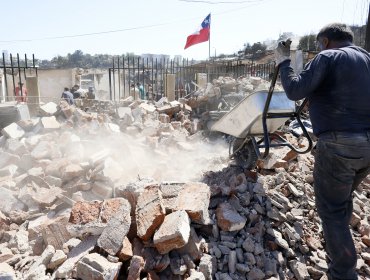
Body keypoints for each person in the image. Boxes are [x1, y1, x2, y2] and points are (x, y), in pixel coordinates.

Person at [275, 23, 370, 280]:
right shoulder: (366, 59)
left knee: (331, 209)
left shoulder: (328, 56)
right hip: (367, 146)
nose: (317, 48)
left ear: (325, 41)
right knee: (341, 200)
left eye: (318, 44)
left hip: (340, 144)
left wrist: (284, 63)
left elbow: (295, 91)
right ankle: (338, 254)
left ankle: (343, 273)